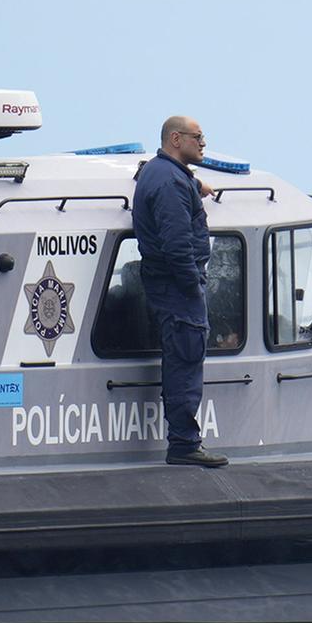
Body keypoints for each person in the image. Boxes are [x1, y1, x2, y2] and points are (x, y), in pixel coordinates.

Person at [132, 115, 229, 466]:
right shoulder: (170, 183)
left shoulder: (161, 173)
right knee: (185, 360)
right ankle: (184, 444)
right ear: (176, 139)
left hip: (167, 283)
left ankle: (184, 441)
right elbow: (176, 244)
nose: (203, 143)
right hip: (177, 287)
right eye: (197, 137)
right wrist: (192, 285)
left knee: (182, 356)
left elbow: (169, 183)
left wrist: (195, 183)